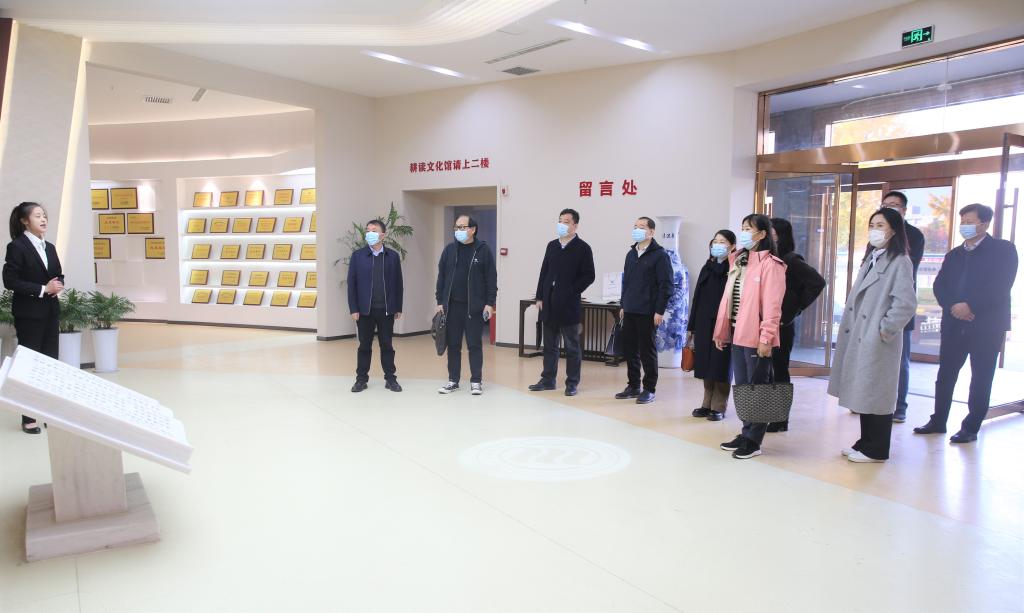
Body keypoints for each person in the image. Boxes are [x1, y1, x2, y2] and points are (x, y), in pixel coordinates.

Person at [914, 203, 1018, 443]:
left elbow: (1001, 285)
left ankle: (970, 427)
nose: (964, 226)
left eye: (970, 221)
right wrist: (953, 306)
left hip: (986, 326)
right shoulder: (954, 254)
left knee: (981, 377)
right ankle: (938, 420)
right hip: (954, 323)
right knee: (946, 374)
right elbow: (940, 285)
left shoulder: (1003, 250)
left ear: (984, 223)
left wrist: (970, 306)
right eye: (962, 222)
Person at [829, 207, 917, 462]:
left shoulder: (900, 261)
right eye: (872, 225)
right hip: (862, 334)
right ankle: (865, 441)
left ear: (894, 230)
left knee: (877, 392)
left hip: (877, 338)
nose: (874, 230)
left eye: (881, 225)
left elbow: (905, 304)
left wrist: (884, 329)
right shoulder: (872, 257)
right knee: (865, 390)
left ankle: (877, 448)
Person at [714, 214, 786, 459]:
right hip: (738, 333)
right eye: (742, 228)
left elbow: (773, 307)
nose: (744, 232)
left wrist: (766, 338)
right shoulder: (739, 261)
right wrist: (722, 331)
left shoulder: (772, 265)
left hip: (757, 337)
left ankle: (754, 441)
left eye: (749, 229)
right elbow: (728, 300)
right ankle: (746, 433)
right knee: (744, 388)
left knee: (759, 390)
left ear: (762, 234)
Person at [3, 202, 64, 434]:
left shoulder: (49, 247)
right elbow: (10, 281)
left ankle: (48, 412)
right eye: (37, 215)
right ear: (24, 221)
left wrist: (58, 284)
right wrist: (42, 289)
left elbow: (58, 274)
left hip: (50, 312)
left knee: (50, 363)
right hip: (29, 314)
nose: (43, 219)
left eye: (44, 215)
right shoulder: (17, 246)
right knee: (30, 365)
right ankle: (28, 417)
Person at [765, 218, 826, 432]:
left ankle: (780, 419)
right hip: (766, 322)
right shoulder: (767, 258)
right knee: (766, 370)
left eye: (771, 232)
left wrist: (794, 309)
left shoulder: (791, 259)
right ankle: (766, 414)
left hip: (782, 325)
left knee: (779, 370)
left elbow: (817, 282)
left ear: (780, 235)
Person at [529, 208, 596, 396]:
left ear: (575, 225)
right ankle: (548, 380)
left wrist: (571, 290)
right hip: (549, 302)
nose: (562, 224)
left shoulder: (583, 248)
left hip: (569, 303)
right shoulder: (552, 245)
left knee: (572, 347)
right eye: (560, 221)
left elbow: (589, 275)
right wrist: (539, 296)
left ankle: (572, 383)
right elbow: (544, 272)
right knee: (549, 345)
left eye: (566, 222)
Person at [435, 215, 497, 395]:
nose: (459, 230)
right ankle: (453, 380)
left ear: (473, 229)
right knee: (453, 345)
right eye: (457, 227)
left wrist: (490, 303)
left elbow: (491, 279)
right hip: (452, 307)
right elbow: (441, 277)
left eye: (462, 227)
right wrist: (440, 301)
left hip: (474, 308)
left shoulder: (483, 250)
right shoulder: (449, 250)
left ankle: (476, 381)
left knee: (474, 345)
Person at [614, 216, 673, 405]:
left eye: (642, 226)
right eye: (635, 226)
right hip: (630, 309)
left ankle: (649, 389)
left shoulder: (660, 255)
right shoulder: (631, 254)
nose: (637, 229)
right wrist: (623, 305)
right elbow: (626, 282)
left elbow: (666, 285)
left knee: (647, 351)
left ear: (651, 232)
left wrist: (659, 311)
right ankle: (633, 386)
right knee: (630, 350)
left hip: (648, 311)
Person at [880, 191, 925, 423]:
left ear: (904, 210)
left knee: (900, 360)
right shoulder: (878, 235)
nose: (889, 207)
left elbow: (906, 269)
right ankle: (873, 403)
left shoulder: (914, 235)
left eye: (895, 205)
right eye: (886, 204)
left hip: (898, 306)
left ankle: (899, 406)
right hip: (876, 306)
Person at [347, 219, 404, 393]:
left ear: (382, 235)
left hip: (386, 309)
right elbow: (351, 284)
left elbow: (398, 283)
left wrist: (398, 307)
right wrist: (353, 308)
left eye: (374, 230)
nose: (369, 233)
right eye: (367, 230)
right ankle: (361, 379)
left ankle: (391, 379)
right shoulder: (358, 256)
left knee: (387, 346)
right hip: (365, 310)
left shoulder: (392, 256)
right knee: (364, 346)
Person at [687, 230, 735, 421]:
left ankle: (719, 406)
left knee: (721, 364)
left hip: (723, 323)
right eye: (715, 241)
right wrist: (691, 326)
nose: (717, 245)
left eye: (722, 242)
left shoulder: (734, 269)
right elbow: (697, 297)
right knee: (706, 363)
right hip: (703, 322)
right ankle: (706, 403)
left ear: (732, 246)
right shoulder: (707, 267)